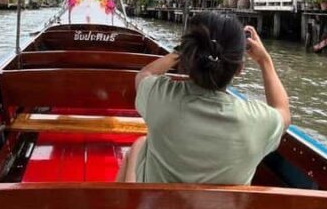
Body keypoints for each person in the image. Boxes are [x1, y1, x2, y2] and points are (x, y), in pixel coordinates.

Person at [115, 12, 291, 184]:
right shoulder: (256, 121)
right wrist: (265, 61)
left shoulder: (160, 97)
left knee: (139, 145)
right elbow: (283, 113)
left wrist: (180, 51)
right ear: (239, 69)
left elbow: (144, 75)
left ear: (188, 57)